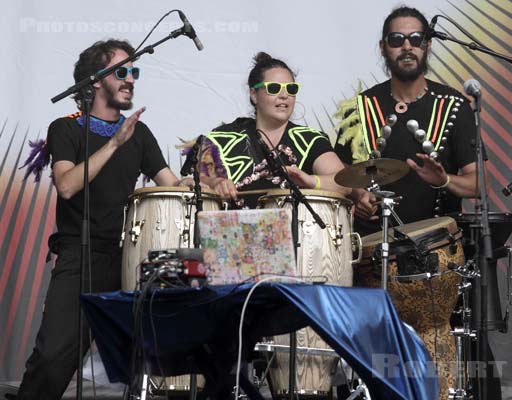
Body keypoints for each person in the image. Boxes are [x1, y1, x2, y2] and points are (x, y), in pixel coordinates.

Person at [17, 39, 191, 400]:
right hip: (80, 255)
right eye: (122, 71)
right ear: (96, 80)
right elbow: (66, 186)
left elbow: (171, 187)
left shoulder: (139, 134)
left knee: (149, 362)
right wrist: (113, 144)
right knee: (53, 358)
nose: (131, 79)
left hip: (130, 257)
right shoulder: (65, 129)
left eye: (134, 72)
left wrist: (198, 181)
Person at [335, 7, 483, 236]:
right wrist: (358, 194)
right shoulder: (359, 108)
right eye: (396, 39)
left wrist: (444, 180)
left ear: (428, 45)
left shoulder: (454, 106)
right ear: (383, 48)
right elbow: (340, 173)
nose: (407, 46)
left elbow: (480, 185)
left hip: (438, 246)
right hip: (371, 248)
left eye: (416, 39)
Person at [187, 52, 349, 208]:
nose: (284, 95)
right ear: (254, 94)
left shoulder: (310, 140)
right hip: (231, 232)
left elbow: (345, 183)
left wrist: (311, 181)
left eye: (291, 89)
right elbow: (191, 181)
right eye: (274, 88)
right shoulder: (221, 139)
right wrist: (215, 183)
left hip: (297, 233)